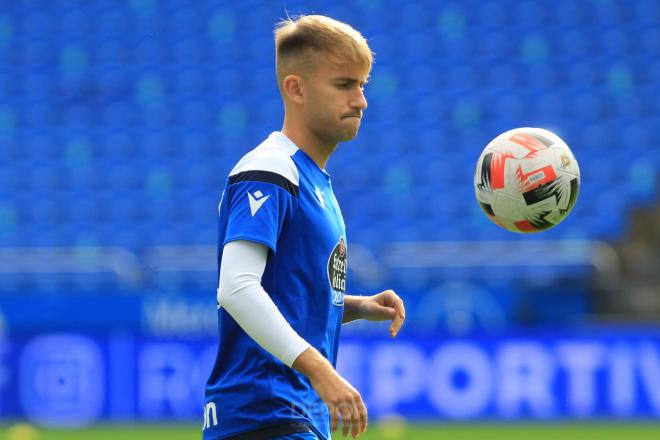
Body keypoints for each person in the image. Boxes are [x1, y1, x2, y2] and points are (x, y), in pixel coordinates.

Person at [203, 14, 405, 440]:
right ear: (295, 88)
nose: (361, 101)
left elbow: (285, 290)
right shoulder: (269, 169)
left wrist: (354, 305)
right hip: (264, 414)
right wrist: (321, 371)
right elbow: (236, 288)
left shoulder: (311, 179)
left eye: (363, 86)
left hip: (288, 415)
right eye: (344, 85)